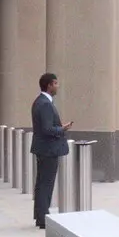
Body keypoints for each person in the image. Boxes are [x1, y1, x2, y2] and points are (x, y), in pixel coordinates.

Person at [31, 72, 74, 229]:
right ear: (49, 85)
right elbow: (47, 129)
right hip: (48, 149)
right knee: (46, 184)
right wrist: (62, 128)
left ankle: (40, 215)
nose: (58, 86)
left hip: (44, 148)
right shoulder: (45, 104)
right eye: (55, 83)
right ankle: (43, 217)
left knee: (42, 183)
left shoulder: (41, 102)